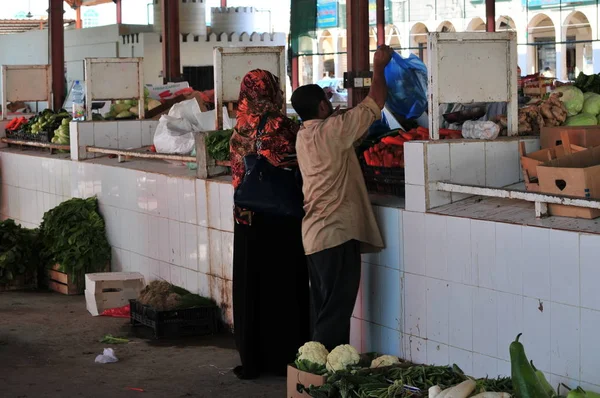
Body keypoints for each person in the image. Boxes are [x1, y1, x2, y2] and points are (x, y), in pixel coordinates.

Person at [290, 45, 392, 350]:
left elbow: (345, 130)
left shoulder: (304, 135)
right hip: (336, 235)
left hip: (315, 237)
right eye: (328, 102)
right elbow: (376, 101)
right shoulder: (333, 131)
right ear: (322, 107)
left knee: (325, 312)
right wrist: (378, 66)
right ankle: (320, 378)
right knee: (334, 316)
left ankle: (316, 372)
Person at [229, 70, 310, 379]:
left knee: (252, 288)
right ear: (275, 91)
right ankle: (285, 357)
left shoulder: (239, 127)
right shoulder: (286, 128)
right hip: (282, 220)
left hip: (247, 219)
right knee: (285, 288)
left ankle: (253, 358)